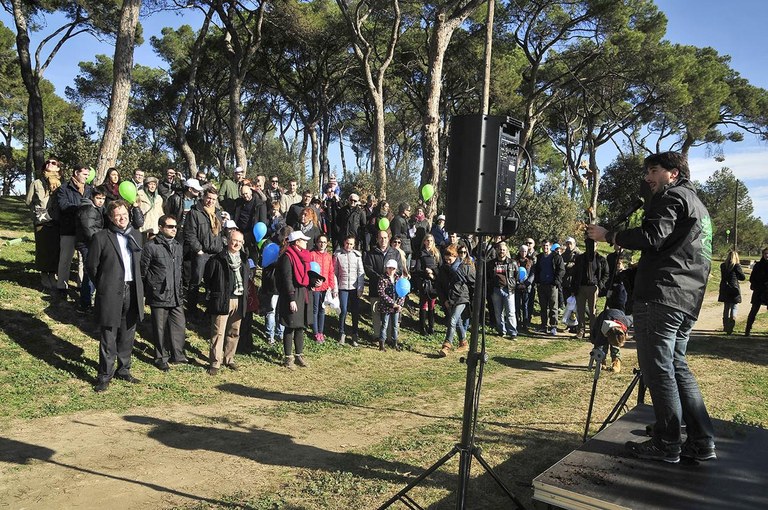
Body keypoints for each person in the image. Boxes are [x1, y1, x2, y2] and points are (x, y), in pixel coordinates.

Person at [587, 150, 716, 464]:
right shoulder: (698, 205)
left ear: (673, 172)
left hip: (661, 296)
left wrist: (611, 235)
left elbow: (653, 236)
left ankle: (667, 442)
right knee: (676, 366)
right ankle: (701, 440)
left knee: (658, 370)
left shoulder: (671, 197)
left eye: (653, 170)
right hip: (687, 298)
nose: (647, 177)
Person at [87, 200, 144, 393]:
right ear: (111, 217)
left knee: (128, 333)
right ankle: (105, 375)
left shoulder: (136, 235)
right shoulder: (101, 237)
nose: (122, 218)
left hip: (132, 290)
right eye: (118, 215)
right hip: (110, 291)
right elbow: (91, 267)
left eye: (125, 215)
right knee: (108, 335)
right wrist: (103, 284)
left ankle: (124, 369)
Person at [141, 214, 188, 370]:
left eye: (175, 226)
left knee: (179, 325)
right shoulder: (151, 246)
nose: (174, 229)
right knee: (159, 328)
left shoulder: (178, 246)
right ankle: (161, 357)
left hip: (176, 293)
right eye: (170, 226)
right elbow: (143, 271)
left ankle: (178, 355)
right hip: (159, 293)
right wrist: (149, 289)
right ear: (160, 227)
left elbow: (179, 270)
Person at [203, 228, 248, 375]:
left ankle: (229, 358)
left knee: (234, 331)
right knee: (218, 332)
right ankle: (215, 362)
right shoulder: (217, 259)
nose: (237, 244)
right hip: (222, 299)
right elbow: (208, 278)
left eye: (240, 241)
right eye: (234, 240)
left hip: (239, 300)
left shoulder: (244, 260)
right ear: (228, 241)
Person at [277, 230, 321, 368]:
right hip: (292, 295)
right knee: (290, 326)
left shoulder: (305, 256)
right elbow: (287, 279)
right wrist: (291, 299)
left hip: (304, 294)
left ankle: (299, 355)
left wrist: (314, 282)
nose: (307, 242)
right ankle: (288, 357)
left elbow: (307, 275)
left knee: (300, 326)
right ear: (297, 242)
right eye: (304, 240)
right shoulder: (287, 257)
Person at [183, 186, 225, 319]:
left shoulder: (217, 213)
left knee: (212, 283)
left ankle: (209, 310)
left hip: (215, 253)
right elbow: (189, 233)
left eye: (213, 199)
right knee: (195, 281)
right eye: (209, 198)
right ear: (204, 197)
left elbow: (220, 232)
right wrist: (198, 250)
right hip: (202, 253)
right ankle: (191, 309)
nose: (211, 201)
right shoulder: (195, 212)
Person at [56, 164, 92, 300]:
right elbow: (63, 206)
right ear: (76, 173)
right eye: (84, 174)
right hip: (69, 228)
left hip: (84, 229)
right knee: (66, 259)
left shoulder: (89, 189)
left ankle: (81, 285)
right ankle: (62, 286)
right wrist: (80, 207)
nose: (86, 178)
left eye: (88, 175)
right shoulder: (64, 188)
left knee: (83, 260)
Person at [26, 158, 62, 291]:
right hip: (41, 220)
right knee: (43, 248)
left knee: (54, 248)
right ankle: (44, 274)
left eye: (54, 163)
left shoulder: (61, 184)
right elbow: (29, 201)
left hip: (56, 220)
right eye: (48, 163)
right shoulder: (36, 183)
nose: (49, 164)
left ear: (58, 168)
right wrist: (35, 216)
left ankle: (52, 274)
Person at [364, 230, 403, 343]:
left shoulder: (395, 253)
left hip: (391, 290)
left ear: (389, 238)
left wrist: (390, 277)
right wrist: (381, 278)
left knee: (391, 312)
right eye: (381, 238)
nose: (383, 240)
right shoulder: (371, 253)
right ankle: (377, 335)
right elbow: (368, 269)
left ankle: (391, 337)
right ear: (377, 239)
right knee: (375, 312)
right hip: (375, 288)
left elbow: (399, 269)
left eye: (385, 238)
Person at [436, 244, 475, 357]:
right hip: (450, 299)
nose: (448, 261)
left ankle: (446, 346)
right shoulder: (443, 269)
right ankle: (463, 342)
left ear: (455, 256)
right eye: (446, 259)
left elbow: (473, 282)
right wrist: (444, 300)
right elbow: (439, 286)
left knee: (452, 320)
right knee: (457, 322)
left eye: (450, 258)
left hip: (461, 297)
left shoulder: (463, 267)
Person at [75, 185, 107, 314]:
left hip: (92, 243)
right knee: (90, 272)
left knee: (93, 271)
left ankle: (88, 300)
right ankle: (84, 303)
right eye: (98, 198)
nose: (101, 201)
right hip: (87, 244)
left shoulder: (97, 209)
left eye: (103, 198)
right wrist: (103, 239)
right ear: (92, 197)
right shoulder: (88, 210)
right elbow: (89, 231)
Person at [570, 249, 609, 338]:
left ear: (596, 245)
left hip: (593, 287)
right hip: (581, 287)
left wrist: (600, 284)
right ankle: (581, 331)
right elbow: (575, 273)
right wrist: (573, 287)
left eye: (593, 244)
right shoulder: (580, 258)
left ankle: (593, 331)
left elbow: (606, 273)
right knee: (580, 310)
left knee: (593, 311)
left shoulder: (600, 259)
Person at [334, 234, 365, 346]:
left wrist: (360, 288)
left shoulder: (357, 256)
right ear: (344, 243)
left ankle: (355, 334)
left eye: (351, 244)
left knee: (355, 312)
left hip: (354, 288)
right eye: (347, 243)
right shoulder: (338, 255)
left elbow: (361, 273)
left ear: (354, 245)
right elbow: (335, 273)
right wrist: (335, 288)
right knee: (343, 310)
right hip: (342, 287)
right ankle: (341, 332)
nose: (349, 246)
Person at [533, 240, 564, 336]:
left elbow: (561, 270)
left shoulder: (556, 257)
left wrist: (556, 281)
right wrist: (537, 281)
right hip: (541, 285)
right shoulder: (539, 257)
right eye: (543, 246)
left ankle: (553, 326)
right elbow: (536, 270)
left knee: (553, 307)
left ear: (550, 246)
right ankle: (543, 326)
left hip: (552, 285)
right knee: (543, 307)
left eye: (546, 246)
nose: (545, 247)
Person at [412, 233, 441, 334]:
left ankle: (431, 326)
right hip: (424, 282)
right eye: (427, 241)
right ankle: (422, 327)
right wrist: (425, 272)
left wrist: (433, 273)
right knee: (424, 305)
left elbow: (440, 268)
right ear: (424, 242)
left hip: (434, 282)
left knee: (432, 305)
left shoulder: (436, 254)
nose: (429, 243)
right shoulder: (421, 254)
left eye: (431, 241)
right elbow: (417, 269)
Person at [489, 242, 519, 339]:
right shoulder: (491, 263)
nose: (501, 251)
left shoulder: (512, 263)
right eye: (500, 249)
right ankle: (501, 330)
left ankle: (513, 332)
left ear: (506, 251)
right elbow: (488, 276)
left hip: (508, 290)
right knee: (498, 312)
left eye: (503, 250)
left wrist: (512, 285)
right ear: (497, 250)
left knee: (510, 312)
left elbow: (516, 276)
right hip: (496, 290)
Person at [310, 234, 336, 343]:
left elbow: (331, 272)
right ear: (316, 243)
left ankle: (321, 332)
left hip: (325, 287)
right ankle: (316, 332)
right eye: (320, 242)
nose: (322, 244)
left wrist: (332, 286)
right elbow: (309, 271)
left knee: (322, 309)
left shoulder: (328, 256)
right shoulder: (312, 255)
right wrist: (312, 283)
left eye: (325, 242)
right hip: (315, 287)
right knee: (315, 309)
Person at [590, 309, 630, 373]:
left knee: (615, 346)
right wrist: (599, 357)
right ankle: (601, 361)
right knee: (601, 345)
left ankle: (616, 361)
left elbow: (631, 318)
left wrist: (626, 333)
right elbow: (598, 343)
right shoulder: (601, 329)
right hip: (603, 318)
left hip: (619, 316)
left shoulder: (626, 322)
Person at [378, 259, 405, 351]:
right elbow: (381, 293)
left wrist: (399, 304)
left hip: (396, 307)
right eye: (389, 268)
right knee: (384, 324)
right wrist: (392, 303)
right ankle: (382, 343)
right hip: (386, 306)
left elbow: (403, 292)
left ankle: (395, 342)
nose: (391, 270)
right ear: (386, 268)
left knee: (395, 325)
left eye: (393, 268)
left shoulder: (398, 279)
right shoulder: (383, 278)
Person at [717, 249, 745, 335]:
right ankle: (731, 327)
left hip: (725, 287)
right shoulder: (736, 266)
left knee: (726, 307)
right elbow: (742, 277)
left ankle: (725, 326)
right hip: (733, 288)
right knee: (734, 307)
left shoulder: (723, 266)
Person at [744, 247, 768, 336]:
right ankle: (747, 329)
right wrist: (758, 285)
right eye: (765, 253)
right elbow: (752, 278)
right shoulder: (758, 265)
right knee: (754, 310)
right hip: (759, 291)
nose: (767, 255)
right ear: (763, 254)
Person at [137, 176, 164, 240]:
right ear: (146, 185)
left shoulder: (159, 198)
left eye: (154, 184)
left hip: (154, 228)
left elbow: (160, 213)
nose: (152, 186)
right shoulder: (139, 195)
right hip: (142, 228)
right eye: (150, 184)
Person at [514, 244, 534, 331]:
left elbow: (532, 274)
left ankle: (525, 323)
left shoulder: (531, 261)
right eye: (522, 251)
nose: (523, 253)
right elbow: (512, 274)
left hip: (526, 287)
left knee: (525, 306)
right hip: (517, 287)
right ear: (519, 251)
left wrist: (526, 284)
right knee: (517, 305)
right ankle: (517, 322)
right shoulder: (514, 261)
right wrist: (517, 284)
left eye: (525, 251)